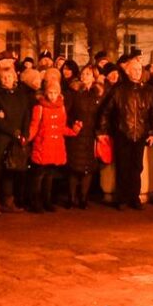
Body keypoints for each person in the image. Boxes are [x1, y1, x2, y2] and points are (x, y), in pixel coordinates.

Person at [98, 53, 153, 210]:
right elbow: (106, 111)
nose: (138, 72)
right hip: (122, 132)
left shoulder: (148, 91)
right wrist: (103, 130)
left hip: (141, 133)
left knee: (137, 167)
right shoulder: (118, 90)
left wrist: (152, 132)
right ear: (128, 72)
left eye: (140, 69)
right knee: (123, 167)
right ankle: (122, 198)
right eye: (134, 70)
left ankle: (134, 197)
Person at [0, 54, 32, 215]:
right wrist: (14, 131)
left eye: (9, 76)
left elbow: (26, 115)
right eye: (3, 77)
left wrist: (24, 133)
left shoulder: (21, 95)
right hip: (0, 138)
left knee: (10, 170)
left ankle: (8, 201)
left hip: (16, 139)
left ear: (14, 78)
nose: (6, 79)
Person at [27, 69, 76, 212]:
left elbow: (62, 128)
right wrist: (27, 138)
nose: (53, 96)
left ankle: (47, 201)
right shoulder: (39, 107)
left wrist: (74, 131)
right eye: (50, 93)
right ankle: (36, 202)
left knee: (49, 176)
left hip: (54, 146)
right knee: (39, 176)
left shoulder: (61, 108)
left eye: (55, 93)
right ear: (45, 93)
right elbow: (34, 126)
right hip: (42, 146)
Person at [64, 65, 104, 209]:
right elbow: (66, 112)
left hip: (90, 134)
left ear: (94, 77)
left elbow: (101, 115)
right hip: (76, 133)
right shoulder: (73, 92)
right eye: (83, 73)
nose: (85, 76)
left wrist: (100, 131)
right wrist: (71, 125)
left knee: (88, 167)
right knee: (74, 166)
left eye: (88, 74)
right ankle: (71, 197)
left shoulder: (98, 94)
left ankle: (83, 198)